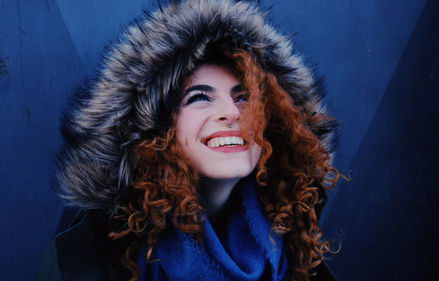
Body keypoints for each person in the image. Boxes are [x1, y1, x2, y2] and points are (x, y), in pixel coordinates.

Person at [35, 0, 340, 280]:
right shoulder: (92, 255)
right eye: (199, 98)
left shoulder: (298, 253)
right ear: (156, 127)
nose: (231, 112)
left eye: (244, 97)